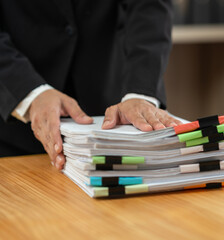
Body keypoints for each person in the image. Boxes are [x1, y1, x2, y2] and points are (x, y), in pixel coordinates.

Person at [0, 1, 182, 170]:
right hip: (13, 131)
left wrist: (140, 93)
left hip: (109, 122)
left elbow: (148, 6)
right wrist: (30, 93)